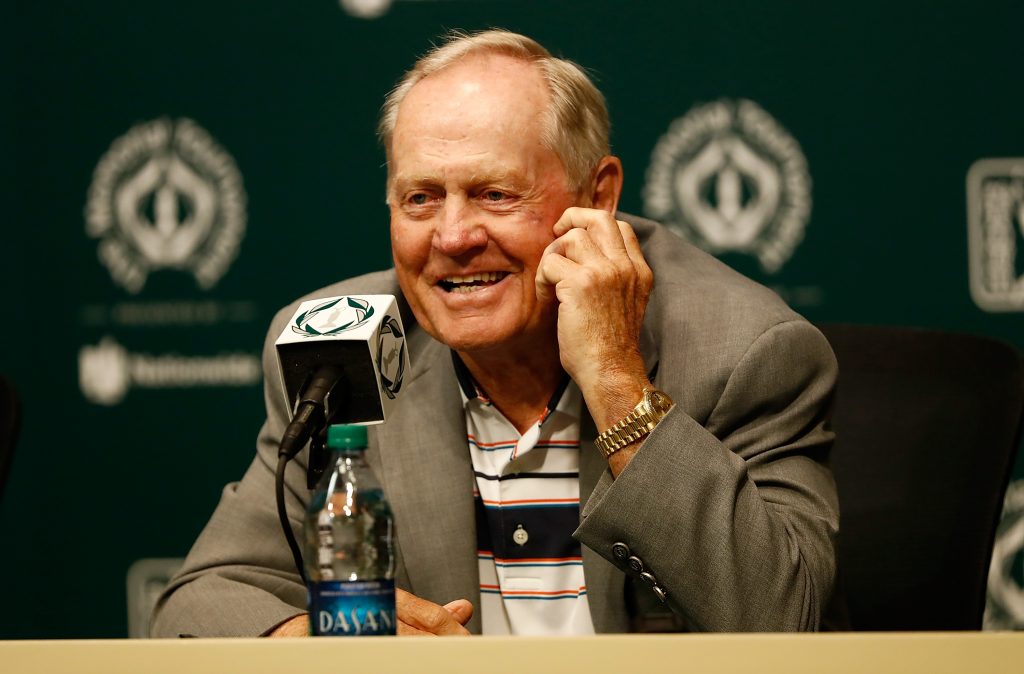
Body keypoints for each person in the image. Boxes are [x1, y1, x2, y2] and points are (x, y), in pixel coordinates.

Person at [152, 29, 839, 637]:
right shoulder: (339, 350)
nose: (452, 237)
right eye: (421, 198)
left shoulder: (745, 350)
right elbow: (201, 604)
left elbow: (783, 620)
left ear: (596, 196)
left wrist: (616, 381)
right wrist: (325, 637)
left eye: (495, 195)